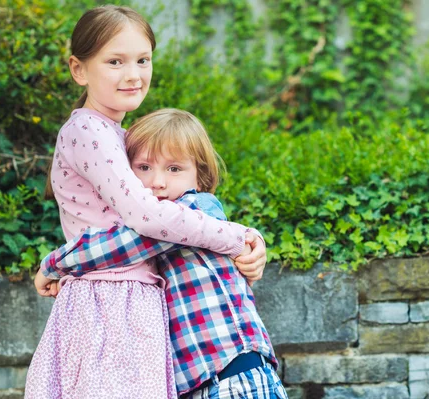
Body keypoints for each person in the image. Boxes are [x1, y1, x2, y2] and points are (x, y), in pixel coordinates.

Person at [25, 6, 266, 398]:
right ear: (79, 69)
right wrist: (238, 238)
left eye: (143, 60)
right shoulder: (88, 130)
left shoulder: (118, 135)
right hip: (110, 301)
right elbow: (149, 218)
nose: (134, 74)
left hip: (127, 298)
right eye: (115, 61)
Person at [37, 109, 288, 399]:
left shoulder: (194, 209)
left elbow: (119, 246)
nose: (157, 182)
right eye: (143, 167)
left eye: (174, 169)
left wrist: (54, 265)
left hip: (233, 374)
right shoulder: (172, 223)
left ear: (201, 176)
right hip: (205, 381)